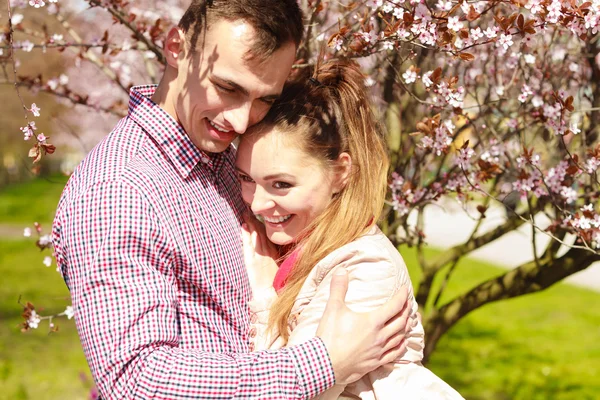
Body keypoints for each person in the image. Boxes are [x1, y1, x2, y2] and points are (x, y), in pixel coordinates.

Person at [51, 1, 412, 399]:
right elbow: (136, 380)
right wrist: (320, 364)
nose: (241, 121)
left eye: (264, 100)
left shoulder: (227, 158)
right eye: (228, 88)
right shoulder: (119, 191)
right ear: (176, 47)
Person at [236, 60, 464, 399]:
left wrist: (263, 294)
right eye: (246, 179)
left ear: (341, 172)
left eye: (281, 184)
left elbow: (295, 389)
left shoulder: (364, 270)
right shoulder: (297, 244)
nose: (257, 204)